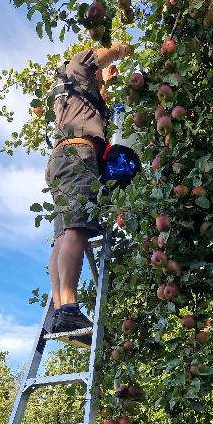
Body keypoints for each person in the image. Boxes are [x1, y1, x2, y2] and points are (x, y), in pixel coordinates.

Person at [45, 42, 132, 340]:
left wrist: (104, 85)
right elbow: (99, 55)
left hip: (60, 160)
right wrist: (122, 49)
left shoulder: (77, 97)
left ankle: (60, 310)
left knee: (63, 235)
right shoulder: (77, 66)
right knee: (77, 230)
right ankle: (68, 308)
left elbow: (96, 104)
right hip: (77, 156)